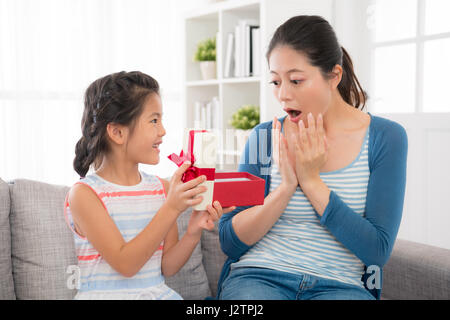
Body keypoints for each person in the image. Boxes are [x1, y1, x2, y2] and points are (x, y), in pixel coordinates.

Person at [217, 15, 408, 300]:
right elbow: (230, 242)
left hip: (341, 285)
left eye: (296, 80)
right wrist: (284, 189)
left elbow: (377, 251)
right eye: (275, 82)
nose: (283, 95)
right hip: (258, 276)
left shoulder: (385, 137)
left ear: (334, 76)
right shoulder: (264, 137)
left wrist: (311, 181)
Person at [64, 71, 234, 299]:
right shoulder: (85, 194)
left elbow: (167, 267)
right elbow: (126, 264)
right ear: (117, 132)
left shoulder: (160, 188)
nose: (163, 131)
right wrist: (171, 208)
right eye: (154, 120)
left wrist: (193, 231)